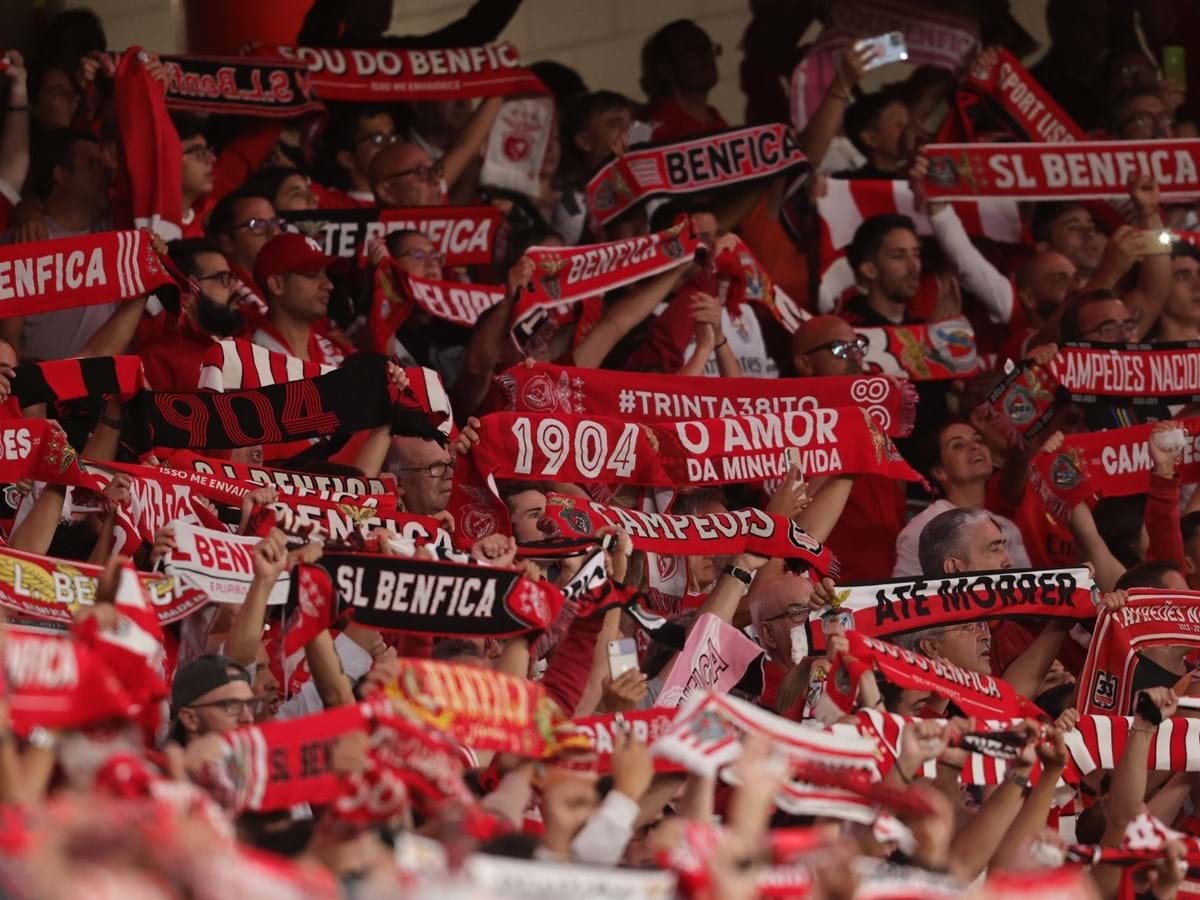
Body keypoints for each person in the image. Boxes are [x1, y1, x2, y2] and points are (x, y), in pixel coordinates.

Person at [1, 129, 113, 360]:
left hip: (108, 391)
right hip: (45, 390)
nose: (105, 174)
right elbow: (8, 341)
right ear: (62, 175)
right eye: (93, 165)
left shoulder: (114, 232)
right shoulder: (26, 240)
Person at [893, 421, 1031, 577]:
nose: (974, 447)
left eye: (978, 440)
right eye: (958, 445)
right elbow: (907, 595)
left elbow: (1027, 589)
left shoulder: (1008, 528)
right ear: (940, 472)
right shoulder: (923, 529)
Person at [251, 232, 348, 365]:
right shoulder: (248, 357)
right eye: (312, 274)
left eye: (325, 274)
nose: (328, 285)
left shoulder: (338, 354)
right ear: (277, 284)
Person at [640, 19, 726, 140]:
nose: (706, 56)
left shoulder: (717, 121)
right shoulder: (647, 129)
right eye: (692, 50)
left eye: (707, 47)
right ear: (664, 66)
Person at [838, 213, 921, 326]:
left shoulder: (922, 328)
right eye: (898, 256)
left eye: (916, 255)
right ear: (869, 270)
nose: (914, 267)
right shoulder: (851, 331)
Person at [170, 653, 258, 743]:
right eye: (231, 704)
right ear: (190, 718)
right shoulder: (161, 757)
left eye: (249, 704)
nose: (248, 718)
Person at [837, 85, 915, 180]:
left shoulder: (916, 178)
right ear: (869, 138)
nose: (908, 132)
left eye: (908, 124)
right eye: (898, 125)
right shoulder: (847, 183)